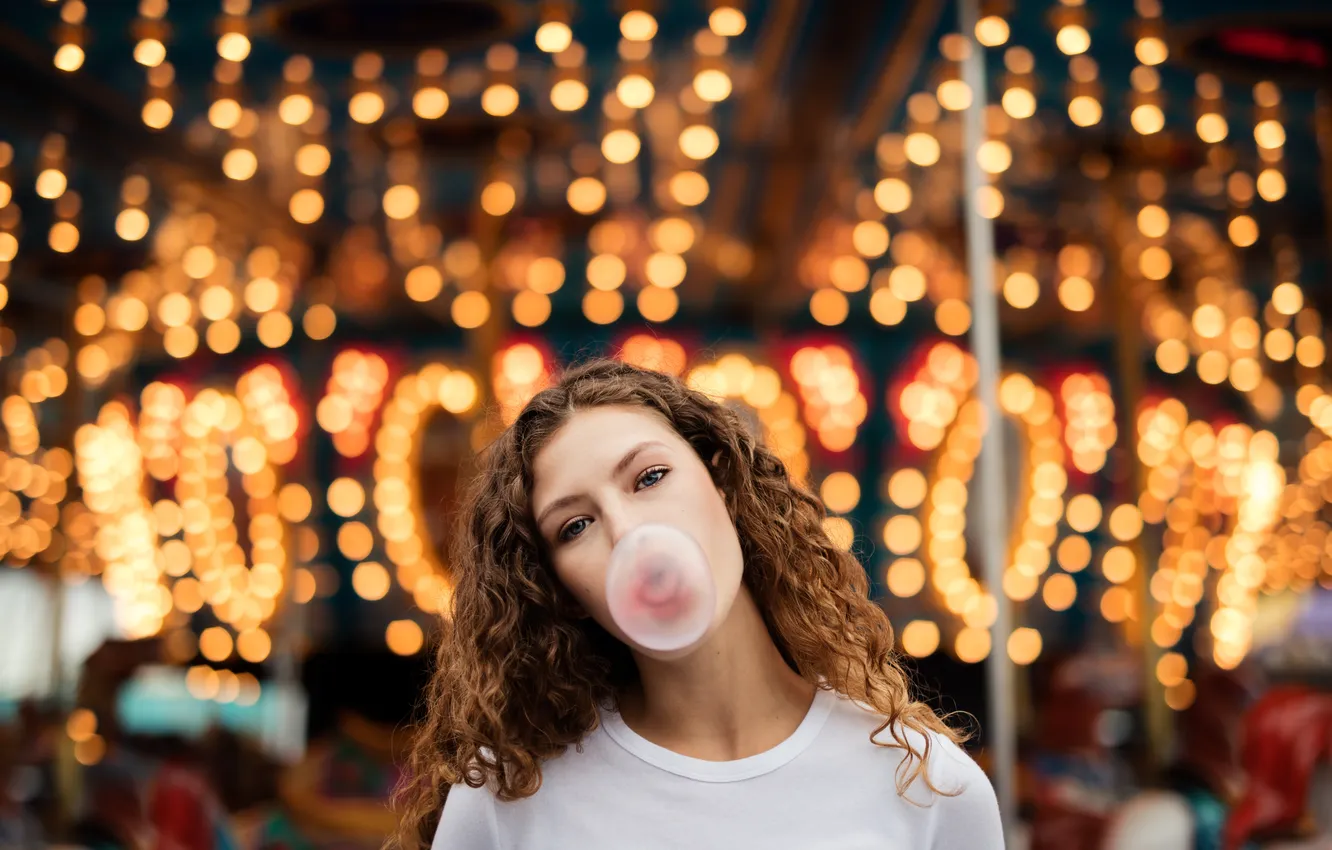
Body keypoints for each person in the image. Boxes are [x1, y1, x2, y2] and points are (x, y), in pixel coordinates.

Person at [388, 358, 1004, 850]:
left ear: (725, 484)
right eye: (575, 526)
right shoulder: (507, 800)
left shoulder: (928, 787)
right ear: (561, 593)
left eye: (650, 478)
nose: (628, 533)